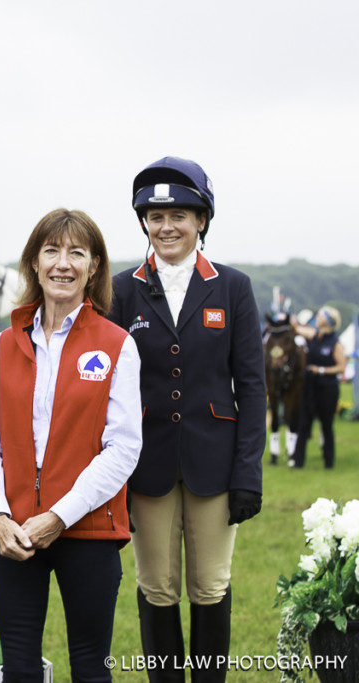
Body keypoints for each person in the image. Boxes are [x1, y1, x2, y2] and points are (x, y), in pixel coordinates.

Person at [109, 157, 266, 681]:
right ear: (144, 224)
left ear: (202, 219)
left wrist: (248, 473)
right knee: (157, 586)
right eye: (155, 217)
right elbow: (106, 391)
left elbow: (252, 388)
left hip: (215, 467)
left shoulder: (233, 288)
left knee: (211, 586)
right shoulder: (120, 290)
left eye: (180, 214)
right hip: (145, 466)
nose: (167, 226)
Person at [0, 209, 141, 682]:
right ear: (33, 264)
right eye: (51, 251)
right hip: (14, 535)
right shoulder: (4, 345)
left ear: (94, 267)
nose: (62, 264)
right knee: (19, 670)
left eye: (76, 253)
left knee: (89, 670)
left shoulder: (118, 344)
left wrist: (59, 516)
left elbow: (123, 449)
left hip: (88, 531)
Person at [290, 306, 346, 468]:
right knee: (304, 423)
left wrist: (321, 370)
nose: (317, 317)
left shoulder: (335, 343)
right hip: (310, 387)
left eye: (320, 315)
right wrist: (293, 322)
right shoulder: (315, 336)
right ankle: (298, 462)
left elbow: (341, 367)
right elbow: (299, 330)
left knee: (326, 425)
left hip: (327, 388)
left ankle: (329, 462)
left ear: (327, 320)